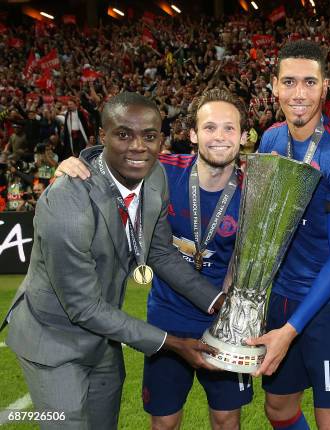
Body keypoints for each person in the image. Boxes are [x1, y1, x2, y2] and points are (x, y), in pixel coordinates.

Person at [0, 92, 225, 429]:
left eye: (149, 136)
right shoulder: (68, 203)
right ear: (102, 136)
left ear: (160, 139)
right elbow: (82, 307)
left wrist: (218, 300)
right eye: (123, 134)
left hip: (102, 338)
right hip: (53, 339)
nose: (138, 146)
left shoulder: (155, 177)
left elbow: (160, 252)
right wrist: (172, 344)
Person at [55, 89, 254, 430]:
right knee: (163, 422)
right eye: (209, 128)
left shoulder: (254, 188)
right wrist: (79, 161)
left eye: (229, 128)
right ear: (192, 134)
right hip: (167, 319)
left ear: (244, 135)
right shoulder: (163, 170)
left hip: (224, 324)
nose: (219, 137)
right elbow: (116, 158)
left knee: (226, 420)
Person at [246, 40, 330, 430]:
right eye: (289, 82)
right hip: (282, 296)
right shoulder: (270, 140)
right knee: (278, 409)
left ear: (325, 87)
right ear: (274, 87)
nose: (299, 93)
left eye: (309, 82)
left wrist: (290, 331)